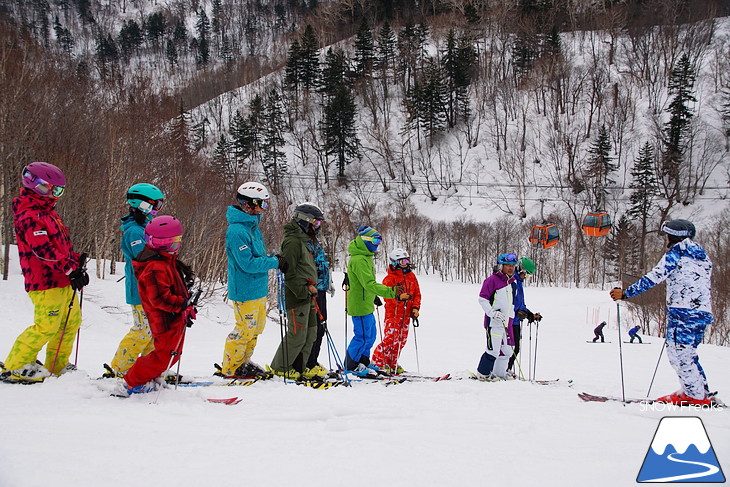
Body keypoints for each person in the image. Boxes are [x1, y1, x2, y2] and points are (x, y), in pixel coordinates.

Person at [610, 219, 713, 406]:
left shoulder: (676, 254)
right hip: (702, 313)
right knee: (688, 353)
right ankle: (700, 391)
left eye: (666, 235)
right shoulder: (703, 257)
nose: (665, 239)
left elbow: (654, 277)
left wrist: (626, 293)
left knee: (678, 354)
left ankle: (695, 396)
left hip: (683, 313)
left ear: (673, 237)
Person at [1, 162, 88, 384]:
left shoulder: (48, 213)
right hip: (44, 282)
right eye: (52, 189)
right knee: (47, 326)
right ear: (35, 185)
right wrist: (70, 269)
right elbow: (43, 251)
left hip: (62, 280)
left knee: (70, 322)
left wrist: (77, 263)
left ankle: (57, 365)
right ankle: (16, 364)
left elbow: (59, 247)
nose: (56, 195)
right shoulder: (29, 215)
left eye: (59, 190)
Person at [117, 216, 196, 395]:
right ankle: (133, 381)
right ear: (163, 243)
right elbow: (159, 298)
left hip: (174, 317)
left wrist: (187, 304)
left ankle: (148, 378)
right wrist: (182, 304)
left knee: (173, 353)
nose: (178, 245)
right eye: (174, 241)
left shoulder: (167, 260)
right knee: (163, 356)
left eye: (179, 240)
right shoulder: (155, 266)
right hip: (164, 319)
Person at [219, 182, 286, 378]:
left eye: (265, 205)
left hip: (258, 288)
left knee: (256, 329)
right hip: (245, 289)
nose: (263, 209)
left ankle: (244, 361)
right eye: (261, 205)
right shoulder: (237, 231)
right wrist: (274, 262)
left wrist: (273, 259)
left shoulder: (252, 227)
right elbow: (247, 263)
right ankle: (231, 366)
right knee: (244, 329)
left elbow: (258, 256)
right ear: (247, 204)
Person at [104, 183, 166, 378]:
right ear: (143, 205)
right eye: (155, 205)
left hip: (151, 289)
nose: (157, 210)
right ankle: (120, 368)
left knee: (153, 331)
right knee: (142, 329)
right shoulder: (134, 231)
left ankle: (148, 368)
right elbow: (143, 257)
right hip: (140, 290)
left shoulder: (145, 228)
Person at [345, 226, 409, 377]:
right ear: (365, 240)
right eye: (375, 240)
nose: (377, 244)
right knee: (362, 336)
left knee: (371, 334)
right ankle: (351, 365)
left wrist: (373, 296)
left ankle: (363, 361)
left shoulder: (366, 257)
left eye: (379, 241)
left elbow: (366, 283)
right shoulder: (359, 259)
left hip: (366, 303)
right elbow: (368, 284)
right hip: (359, 305)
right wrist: (391, 292)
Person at [270, 203, 325, 380]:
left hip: (309, 294)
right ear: (304, 221)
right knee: (297, 334)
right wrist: (303, 290)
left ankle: (298, 367)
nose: (317, 227)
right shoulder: (293, 241)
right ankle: (281, 366)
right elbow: (290, 272)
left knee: (311, 334)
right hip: (298, 296)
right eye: (315, 223)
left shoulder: (303, 240)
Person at [371, 248, 422, 374]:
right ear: (395, 262)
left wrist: (415, 308)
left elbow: (417, 293)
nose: (406, 263)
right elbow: (387, 298)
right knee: (390, 339)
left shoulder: (411, 276)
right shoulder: (390, 279)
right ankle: (377, 363)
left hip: (406, 315)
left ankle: (392, 363)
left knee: (401, 341)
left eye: (407, 260)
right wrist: (398, 298)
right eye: (403, 261)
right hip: (393, 314)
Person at [302, 203, 334, 377]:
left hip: (320, 288)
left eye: (319, 223)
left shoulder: (313, 240)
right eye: (316, 223)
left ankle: (312, 361)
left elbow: (321, 263)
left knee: (321, 327)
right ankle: (307, 362)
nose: (318, 227)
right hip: (311, 290)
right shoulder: (303, 240)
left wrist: (329, 282)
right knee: (314, 328)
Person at [476, 253, 518, 379]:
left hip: (507, 323)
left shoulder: (513, 283)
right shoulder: (492, 280)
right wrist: (492, 313)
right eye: (508, 266)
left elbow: (511, 304)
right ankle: (483, 374)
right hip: (493, 322)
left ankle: (499, 373)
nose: (511, 268)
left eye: (513, 266)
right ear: (501, 266)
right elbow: (482, 299)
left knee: (508, 350)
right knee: (493, 350)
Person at [509, 257, 541, 374]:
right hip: (511, 321)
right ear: (521, 270)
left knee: (515, 348)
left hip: (516, 321)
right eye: (526, 275)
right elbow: (514, 304)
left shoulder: (519, 283)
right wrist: (526, 314)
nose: (526, 278)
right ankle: (505, 369)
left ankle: (507, 369)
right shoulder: (513, 282)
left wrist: (530, 314)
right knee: (512, 348)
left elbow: (521, 304)